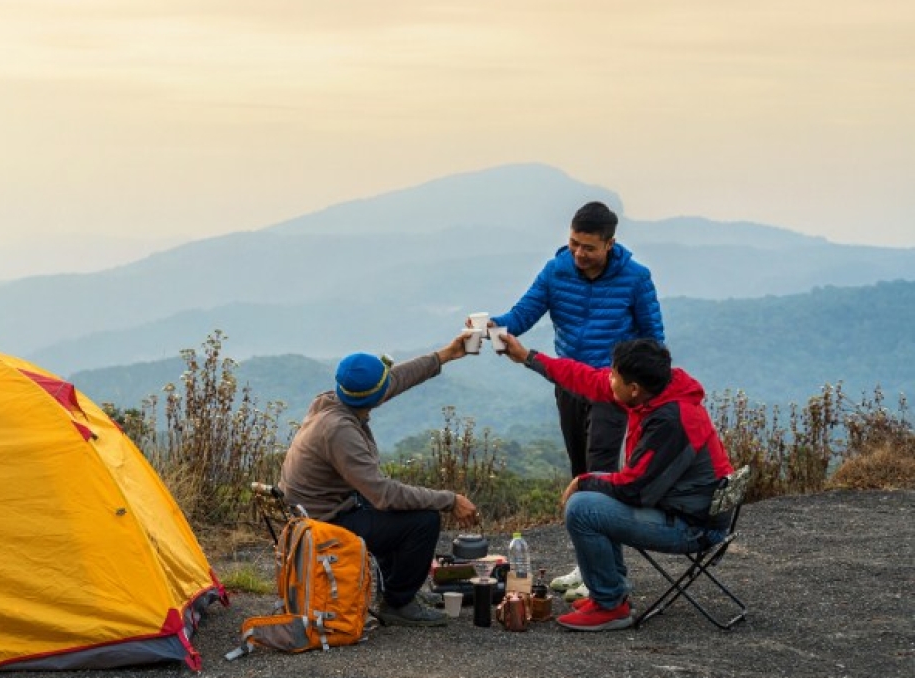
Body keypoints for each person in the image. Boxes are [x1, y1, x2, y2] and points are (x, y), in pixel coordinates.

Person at [481, 200, 665, 598]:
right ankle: (588, 566)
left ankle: (607, 577)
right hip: (568, 383)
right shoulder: (557, 270)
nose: (580, 254)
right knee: (579, 471)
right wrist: (490, 327)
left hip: (610, 388)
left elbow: (653, 340)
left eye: (589, 247)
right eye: (574, 243)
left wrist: (641, 392)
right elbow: (523, 314)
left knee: (598, 476)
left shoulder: (635, 278)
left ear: (610, 244)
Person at [499, 333, 733, 631]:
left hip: (694, 526)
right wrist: (528, 357)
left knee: (583, 508)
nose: (609, 379)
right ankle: (611, 592)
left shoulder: (672, 421)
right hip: (686, 507)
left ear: (633, 389)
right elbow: (586, 378)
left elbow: (635, 490)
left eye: (614, 375)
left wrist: (584, 481)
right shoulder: (656, 392)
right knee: (596, 497)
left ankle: (610, 604)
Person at [279, 333, 481, 628]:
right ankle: (398, 603)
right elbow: (384, 495)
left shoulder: (333, 400)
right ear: (374, 397)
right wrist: (449, 500)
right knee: (423, 520)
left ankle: (394, 590)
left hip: (321, 511)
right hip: (324, 525)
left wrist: (445, 355)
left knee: (395, 511)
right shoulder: (339, 431)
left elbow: (394, 380)